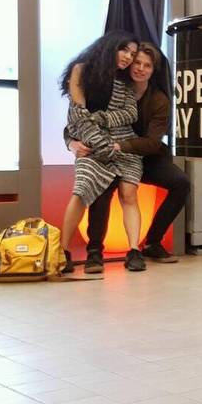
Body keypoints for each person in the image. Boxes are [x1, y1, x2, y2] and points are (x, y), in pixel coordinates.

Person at [69, 42, 190, 273]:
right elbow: (80, 120)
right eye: (137, 63)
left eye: (147, 65)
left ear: (153, 71)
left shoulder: (159, 100)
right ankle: (95, 252)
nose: (141, 69)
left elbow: (154, 143)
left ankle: (152, 243)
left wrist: (120, 145)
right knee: (102, 186)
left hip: (146, 154)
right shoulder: (107, 86)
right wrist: (71, 143)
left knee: (182, 183)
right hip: (108, 153)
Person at [58, 31, 146, 274]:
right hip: (94, 147)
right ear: (110, 47)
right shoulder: (82, 71)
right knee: (82, 188)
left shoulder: (126, 81)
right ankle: (62, 252)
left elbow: (131, 114)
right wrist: (98, 145)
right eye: (124, 50)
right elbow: (78, 118)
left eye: (132, 53)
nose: (128, 57)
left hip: (125, 145)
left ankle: (134, 250)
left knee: (129, 193)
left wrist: (102, 118)